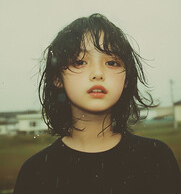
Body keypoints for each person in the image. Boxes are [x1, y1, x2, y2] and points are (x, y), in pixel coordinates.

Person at [13, 13, 181, 194]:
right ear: (57, 78)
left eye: (111, 62)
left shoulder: (156, 158)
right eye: (79, 61)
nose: (98, 73)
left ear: (126, 80)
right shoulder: (36, 173)